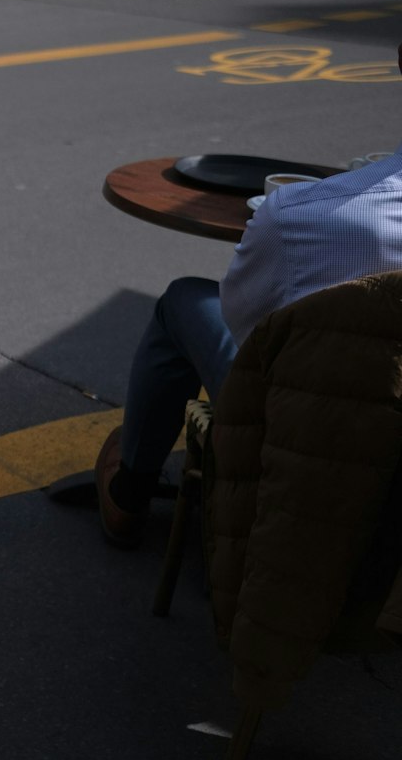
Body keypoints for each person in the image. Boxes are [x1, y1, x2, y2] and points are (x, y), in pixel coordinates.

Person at [95, 141, 402, 547]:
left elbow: (242, 325)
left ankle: (129, 492)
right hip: (390, 446)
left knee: (183, 300)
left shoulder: (298, 213)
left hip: (296, 437)